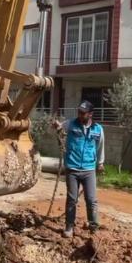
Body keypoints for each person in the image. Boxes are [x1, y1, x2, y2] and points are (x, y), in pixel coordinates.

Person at [52, 100, 105, 237]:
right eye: (79, 112)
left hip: (89, 169)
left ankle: (93, 227)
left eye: (83, 113)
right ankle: (69, 227)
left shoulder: (98, 129)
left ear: (90, 114)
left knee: (91, 200)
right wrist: (56, 126)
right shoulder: (71, 124)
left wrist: (100, 163)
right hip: (72, 168)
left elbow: (100, 146)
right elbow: (58, 129)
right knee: (72, 199)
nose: (80, 115)